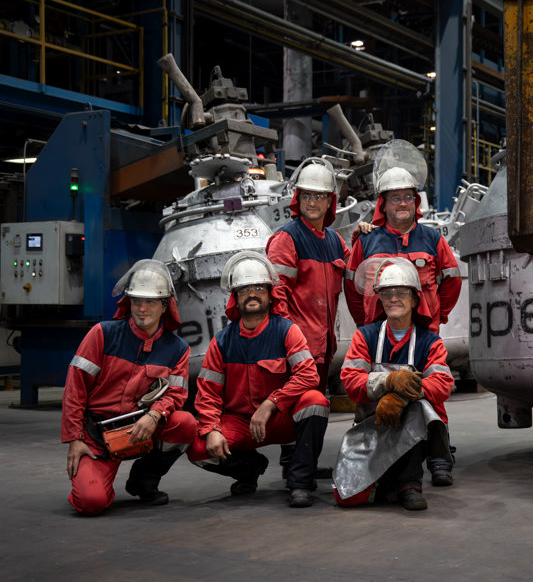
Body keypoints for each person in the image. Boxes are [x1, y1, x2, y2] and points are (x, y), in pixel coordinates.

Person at [344, 140, 461, 487]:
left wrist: (433, 316)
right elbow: (353, 288)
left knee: (431, 393)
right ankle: (376, 455)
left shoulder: (433, 239)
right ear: (383, 203)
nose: (402, 203)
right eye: (394, 198)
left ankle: (439, 457)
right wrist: (367, 323)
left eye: (408, 197)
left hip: (422, 332)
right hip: (377, 336)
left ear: (416, 201)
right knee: (371, 398)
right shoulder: (367, 241)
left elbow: (451, 282)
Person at [189, 251, 330, 508]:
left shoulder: (287, 331)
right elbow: (208, 394)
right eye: (244, 289)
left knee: (315, 401)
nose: (252, 294)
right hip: (240, 424)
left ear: (269, 293)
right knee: (199, 449)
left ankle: (300, 482)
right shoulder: (221, 342)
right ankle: (249, 469)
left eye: (258, 287)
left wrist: (271, 403)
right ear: (236, 297)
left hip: (279, 418)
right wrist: (211, 429)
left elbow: (308, 374)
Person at [61, 260, 196, 516]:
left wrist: (154, 415)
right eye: (136, 301)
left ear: (165, 305)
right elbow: (75, 388)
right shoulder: (102, 334)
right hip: (98, 435)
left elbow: (176, 395)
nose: (142, 308)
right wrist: (75, 439)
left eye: (150, 302)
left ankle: (144, 479)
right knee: (91, 503)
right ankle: (100, 478)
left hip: (142, 429)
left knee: (186, 424)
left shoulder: (177, 349)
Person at [335, 259, 455, 510]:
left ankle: (410, 485)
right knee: (348, 496)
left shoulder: (430, 342)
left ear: (414, 299)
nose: (393, 299)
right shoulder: (365, 337)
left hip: (414, 428)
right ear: (379, 299)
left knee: (416, 408)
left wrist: (401, 397)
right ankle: (389, 482)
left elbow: (442, 383)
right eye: (387, 294)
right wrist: (389, 381)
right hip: (371, 423)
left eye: (401, 293)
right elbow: (350, 381)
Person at [266, 158, 348, 480]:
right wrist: (291, 340)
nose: (313, 203)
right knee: (301, 404)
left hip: (324, 344)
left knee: (316, 404)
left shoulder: (334, 241)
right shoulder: (287, 239)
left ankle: (304, 465)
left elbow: (354, 269)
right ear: (297, 199)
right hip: (298, 344)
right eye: (307, 196)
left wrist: (367, 233)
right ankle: (296, 468)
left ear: (330, 201)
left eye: (320, 197)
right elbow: (277, 295)